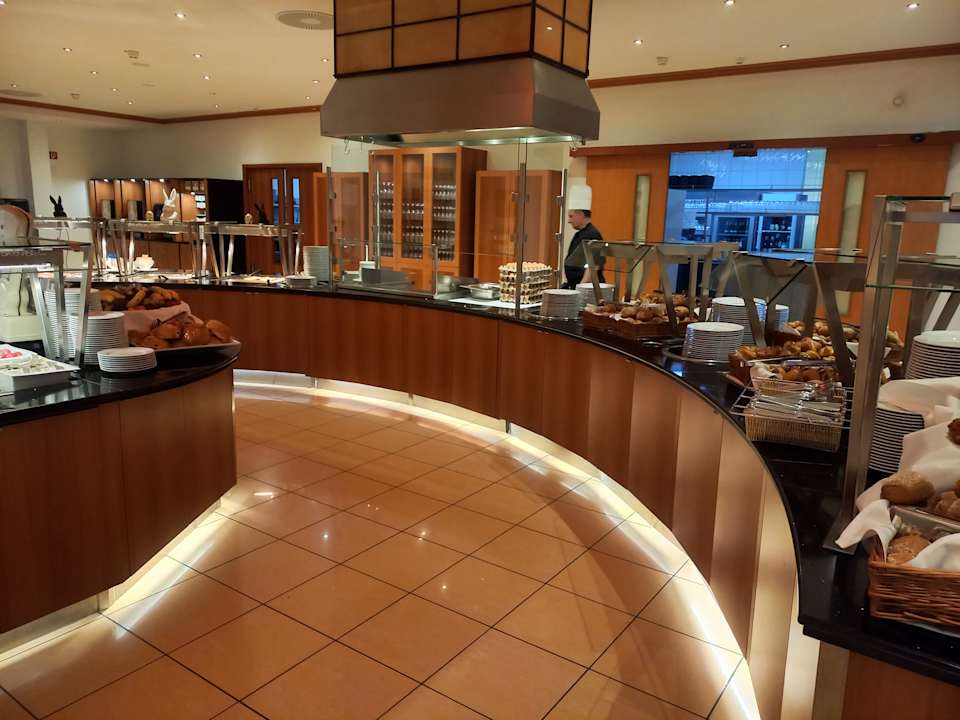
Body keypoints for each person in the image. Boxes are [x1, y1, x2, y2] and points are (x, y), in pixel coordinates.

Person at [562, 185, 605, 288]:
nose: (569, 221)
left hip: (587, 290)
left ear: (580, 214)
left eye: (571, 216)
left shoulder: (592, 234)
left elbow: (592, 266)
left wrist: (581, 289)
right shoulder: (581, 233)